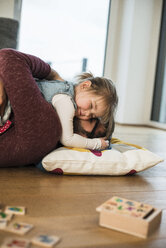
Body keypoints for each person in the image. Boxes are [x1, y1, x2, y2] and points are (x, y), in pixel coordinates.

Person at [0, 48, 118, 167]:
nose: (87, 115)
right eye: (91, 106)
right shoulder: (66, 101)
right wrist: (96, 143)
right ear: (85, 85)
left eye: (92, 116)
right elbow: (67, 139)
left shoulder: (45, 133)